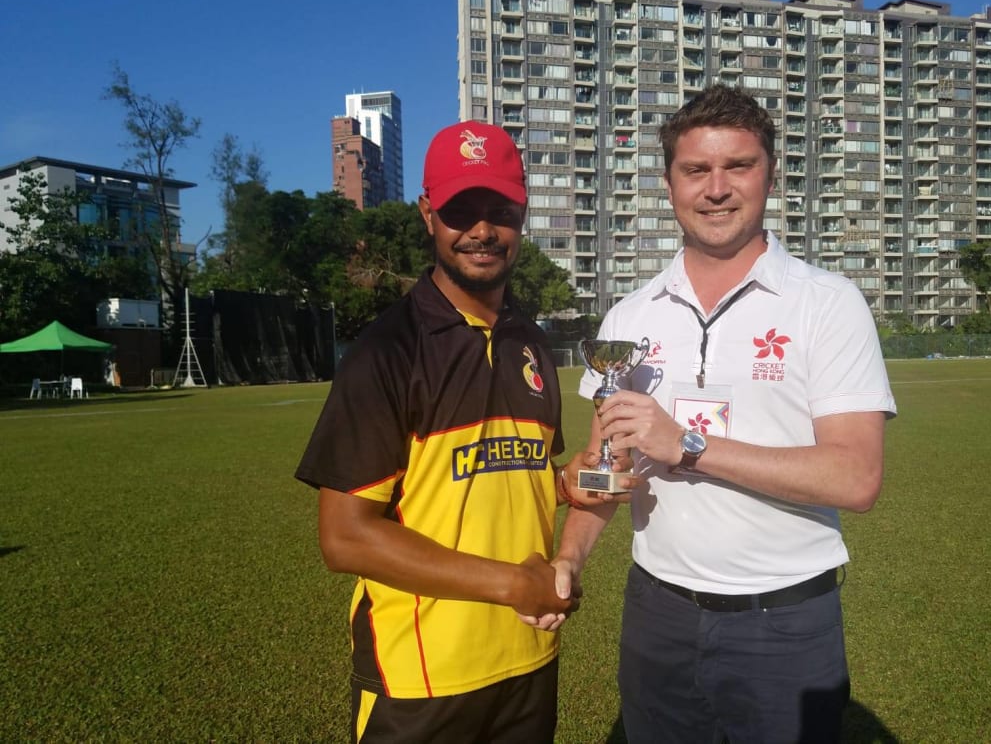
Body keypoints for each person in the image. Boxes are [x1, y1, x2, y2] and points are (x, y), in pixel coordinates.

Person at [554, 85, 897, 743]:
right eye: (696, 170)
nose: (716, 188)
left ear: (770, 174)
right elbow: (607, 466)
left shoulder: (827, 303)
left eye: (738, 166)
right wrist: (570, 556)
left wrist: (689, 444)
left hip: (785, 620)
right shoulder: (630, 315)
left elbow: (856, 478)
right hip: (657, 612)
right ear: (669, 185)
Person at [296, 120, 583, 743]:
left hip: (529, 657)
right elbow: (344, 538)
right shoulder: (386, 351)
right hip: (420, 678)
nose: (482, 230)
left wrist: (567, 482)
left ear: (522, 214)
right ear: (429, 214)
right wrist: (511, 583)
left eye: (499, 210)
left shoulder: (530, 342)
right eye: (460, 210)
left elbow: (507, 476)